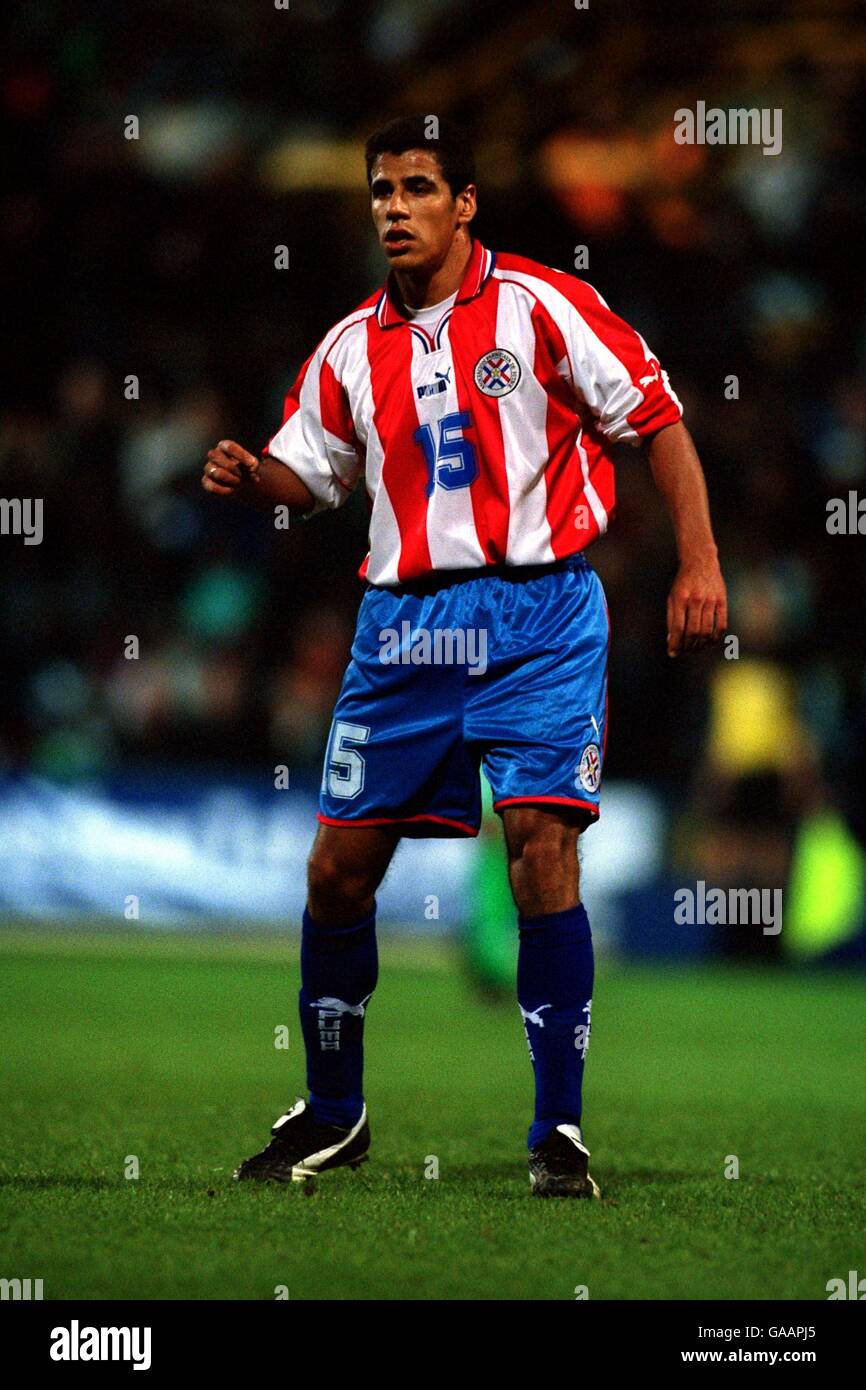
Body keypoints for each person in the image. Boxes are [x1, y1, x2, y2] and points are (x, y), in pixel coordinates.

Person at [201, 116, 727, 1198]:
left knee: (540, 846)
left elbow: (659, 421)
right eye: (380, 191)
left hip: (537, 614)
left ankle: (556, 1131)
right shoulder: (349, 345)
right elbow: (314, 470)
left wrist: (697, 565)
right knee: (336, 872)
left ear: (464, 202)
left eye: (417, 187)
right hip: (400, 631)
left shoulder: (541, 307)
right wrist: (257, 477)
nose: (393, 207)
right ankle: (335, 1112)